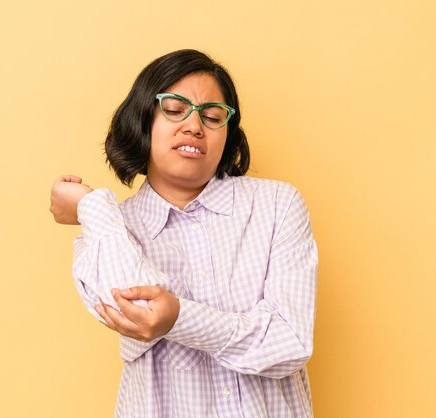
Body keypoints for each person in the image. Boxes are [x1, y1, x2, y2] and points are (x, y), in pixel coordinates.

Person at [49, 49, 318, 418]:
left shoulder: (277, 206)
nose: (194, 126)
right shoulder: (108, 229)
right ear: (143, 120)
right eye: (175, 110)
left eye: (212, 116)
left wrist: (179, 318)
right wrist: (92, 207)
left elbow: (289, 342)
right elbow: (138, 310)